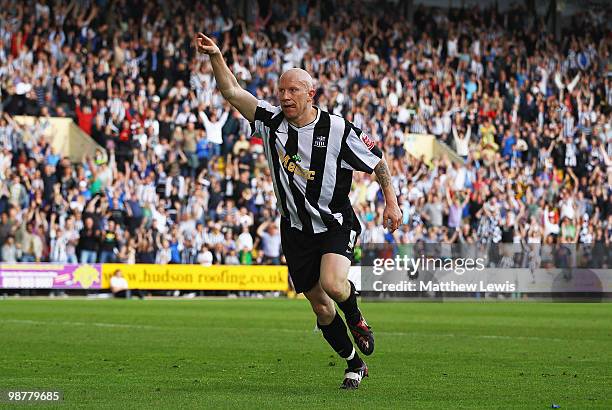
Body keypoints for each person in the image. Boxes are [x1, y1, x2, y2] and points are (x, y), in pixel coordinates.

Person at [195, 33, 402, 389]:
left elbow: (378, 162)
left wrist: (392, 201)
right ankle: (353, 363)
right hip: (294, 229)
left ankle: (356, 318)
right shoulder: (270, 121)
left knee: (334, 286)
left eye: (293, 91)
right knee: (321, 307)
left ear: (311, 94)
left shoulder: (337, 129)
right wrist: (216, 55)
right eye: (282, 91)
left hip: (335, 221)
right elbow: (231, 91)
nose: (285, 97)